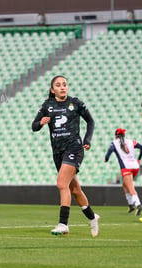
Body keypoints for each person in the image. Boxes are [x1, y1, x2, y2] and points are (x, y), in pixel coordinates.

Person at [32, 75, 100, 237]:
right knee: (75, 189)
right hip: (58, 152)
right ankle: (92, 217)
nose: (62, 87)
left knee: (62, 184)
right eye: (58, 85)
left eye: (64, 84)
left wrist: (87, 139)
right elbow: (34, 126)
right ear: (52, 89)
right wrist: (41, 123)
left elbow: (90, 121)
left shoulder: (75, 103)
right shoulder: (47, 106)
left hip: (74, 149)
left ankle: (63, 224)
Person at [104, 128, 142, 216]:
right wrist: (139, 159)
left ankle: (138, 204)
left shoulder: (114, 143)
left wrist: (106, 159)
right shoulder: (130, 141)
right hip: (135, 166)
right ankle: (131, 205)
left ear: (115, 136)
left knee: (130, 187)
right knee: (125, 185)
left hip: (126, 167)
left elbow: (109, 153)